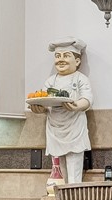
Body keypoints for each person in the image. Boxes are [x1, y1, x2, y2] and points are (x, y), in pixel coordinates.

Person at [36, 39, 93, 183]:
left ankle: (74, 197)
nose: (61, 60)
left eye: (66, 56)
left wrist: (77, 105)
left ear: (77, 61)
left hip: (74, 128)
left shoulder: (81, 79)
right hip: (55, 129)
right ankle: (63, 196)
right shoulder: (50, 81)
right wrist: (39, 108)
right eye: (58, 56)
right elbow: (45, 100)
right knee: (60, 173)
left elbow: (87, 98)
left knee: (74, 173)